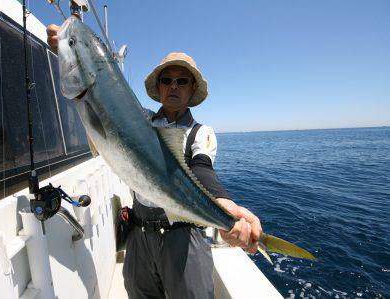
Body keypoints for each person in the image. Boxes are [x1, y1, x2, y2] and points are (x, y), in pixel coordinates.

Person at [47, 25, 262, 299]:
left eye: (182, 81)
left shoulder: (201, 133)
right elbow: (110, 108)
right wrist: (66, 55)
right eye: (167, 80)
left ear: (192, 88)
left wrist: (223, 205)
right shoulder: (141, 122)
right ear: (158, 86)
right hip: (139, 237)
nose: (174, 86)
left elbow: (203, 170)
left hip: (184, 239)